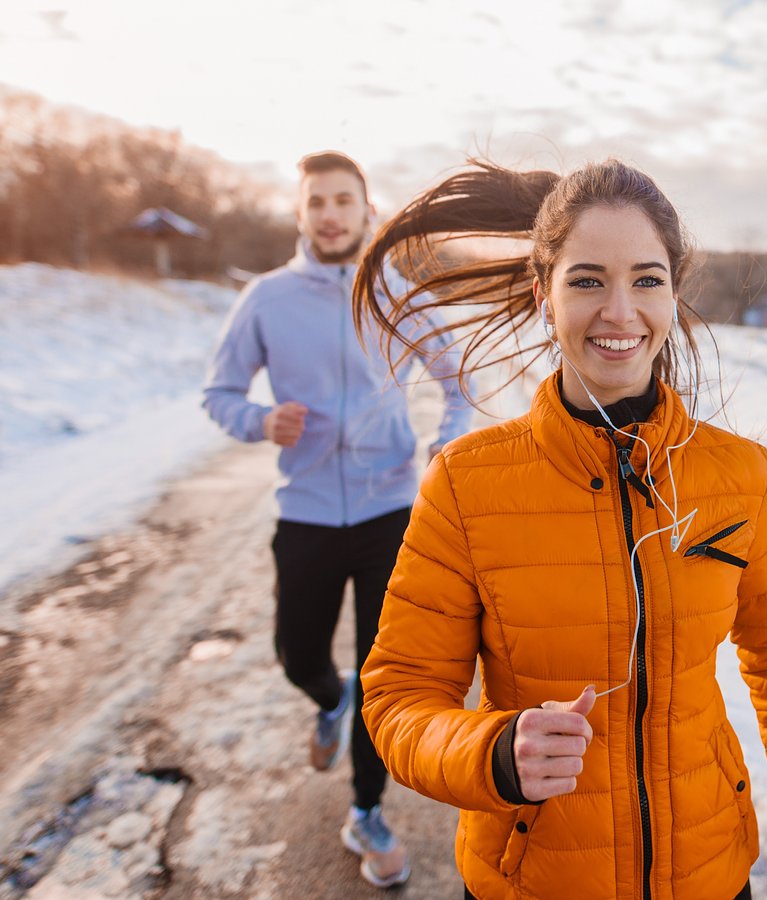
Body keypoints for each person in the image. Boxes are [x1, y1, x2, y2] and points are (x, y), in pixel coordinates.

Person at [353, 159, 767, 900]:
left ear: (675, 293)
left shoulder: (739, 475)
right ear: (544, 294)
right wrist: (493, 752)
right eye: (588, 279)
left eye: (647, 280)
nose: (620, 311)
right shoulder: (466, 485)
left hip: (710, 878)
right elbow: (399, 696)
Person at [202, 150, 472, 889]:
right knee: (299, 655)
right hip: (309, 512)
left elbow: (461, 384)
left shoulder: (399, 296)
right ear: (300, 213)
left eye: (342, 200)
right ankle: (329, 699)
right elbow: (219, 393)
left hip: (391, 512)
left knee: (383, 676)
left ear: (365, 209)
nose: (329, 214)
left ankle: (366, 810)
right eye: (316, 201)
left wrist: (444, 444)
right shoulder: (265, 300)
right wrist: (262, 421)